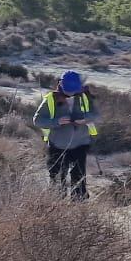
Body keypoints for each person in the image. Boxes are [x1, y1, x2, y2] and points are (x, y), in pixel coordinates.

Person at [32, 71, 98, 200]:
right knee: (57, 178)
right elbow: (37, 120)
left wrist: (85, 119)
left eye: (73, 90)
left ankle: (79, 205)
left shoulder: (85, 96)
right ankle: (57, 205)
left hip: (80, 144)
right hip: (58, 145)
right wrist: (56, 122)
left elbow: (95, 114)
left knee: (79, 178)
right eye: (68, 90)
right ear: (61, 85)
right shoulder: (50, 98)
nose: (71, 93)